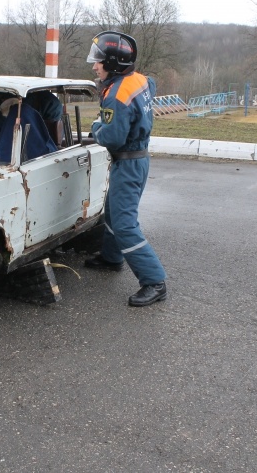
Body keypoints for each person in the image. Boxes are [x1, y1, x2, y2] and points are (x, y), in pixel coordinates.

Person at [84, 31, 167, 307]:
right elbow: (151, 87)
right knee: (113, 209)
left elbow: (112, 137)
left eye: (98, 61)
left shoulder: (116, 95)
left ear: (113, 63)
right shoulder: (140, 80)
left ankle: (154, 281)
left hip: (128, 161)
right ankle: (111, 257)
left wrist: (96, 127)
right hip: (138, 157)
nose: (95, 66)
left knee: (124, 224)